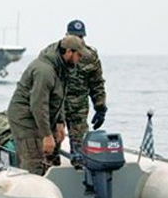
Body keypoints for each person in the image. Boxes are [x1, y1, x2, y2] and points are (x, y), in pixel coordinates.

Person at [7, 35, 89, 175]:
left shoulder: (61, 67)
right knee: (34, 160)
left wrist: (60, 122)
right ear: (69, 52)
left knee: (49, 156)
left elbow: (59, 97)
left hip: (41, 116)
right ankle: (31, 190)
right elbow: (38, 104)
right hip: (25, 118)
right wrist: (46, 135)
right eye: (79, 55)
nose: (79, 59)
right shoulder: (45, 71)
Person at [62, 19, 107, 170]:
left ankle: (81, 175)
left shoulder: (90, 56)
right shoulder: (58, 53)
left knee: (80, 148)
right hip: (57, 106)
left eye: (80, 37)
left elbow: (97, 83)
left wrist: (100, 107)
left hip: (79, 107)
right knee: (52, 143)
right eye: (75, 37)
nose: (78, 40)